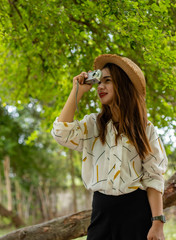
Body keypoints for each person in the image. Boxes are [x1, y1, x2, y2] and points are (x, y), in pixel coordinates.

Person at [51, 54, 168, 240]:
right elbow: (61, 133)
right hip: (101, 213)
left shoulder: (146, 129)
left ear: (123, 85)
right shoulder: (92, 125)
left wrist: (157, 223)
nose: (100, 87)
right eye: (99, 82)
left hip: (137, 213)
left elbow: (153, 177)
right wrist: (77, 91)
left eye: (107, 81)